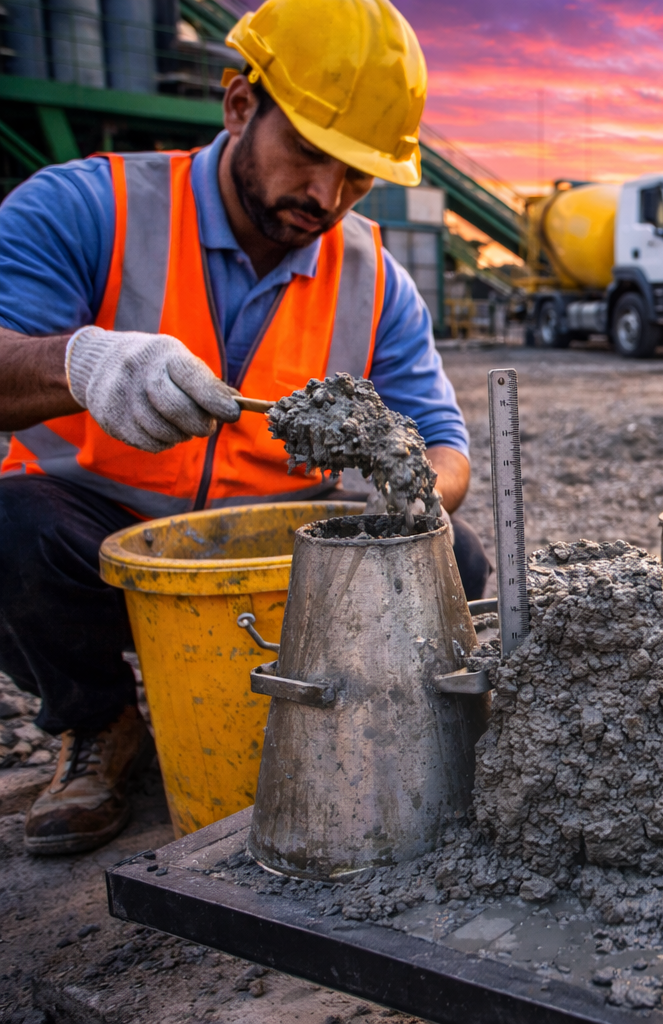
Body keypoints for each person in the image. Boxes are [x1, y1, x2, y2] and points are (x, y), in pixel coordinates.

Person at [0, 0, 490, 855]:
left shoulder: (374, 277)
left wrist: (414, 481)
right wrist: (82, 365)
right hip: (104, 555)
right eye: (308, 153)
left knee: (457, 551)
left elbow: (445, 446)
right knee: (11, 522)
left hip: (279, 566)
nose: (327, 196)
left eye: (357, 176)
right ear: (238, 107)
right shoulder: (89, 207)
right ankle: (98, 724)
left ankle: (375, 732)